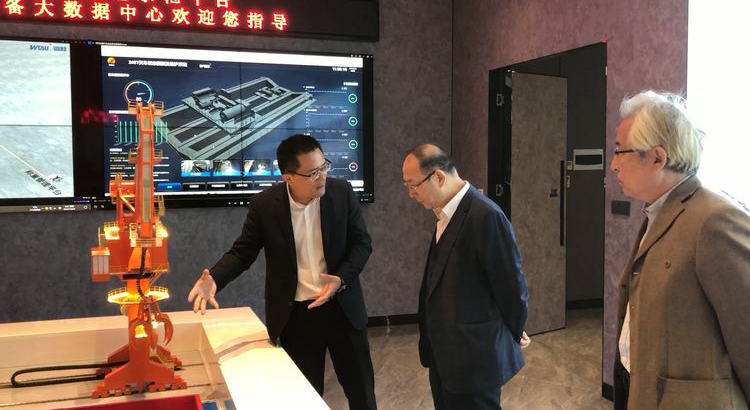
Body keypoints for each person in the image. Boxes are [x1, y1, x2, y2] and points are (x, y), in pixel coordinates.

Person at [188, 134, 377, 409]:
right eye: (312, 173)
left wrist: (341, 278)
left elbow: (362, 243)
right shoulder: (265, 205)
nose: (322, 177)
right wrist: (214, 278)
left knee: (362, 394)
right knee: (304, 397)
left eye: (324, 167)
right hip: (297, 316)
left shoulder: (341, 192)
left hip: (343, 308)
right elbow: (243, 252)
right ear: (288, 176)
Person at [611, 90, 750, 409]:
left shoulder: (714, 220)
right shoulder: (658, 212)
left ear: (657, 158)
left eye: (620, 151)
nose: (614, 165)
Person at [401, 144, 529, 410]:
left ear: (438, 177)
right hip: (445, 357)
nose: (411, 194)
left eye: (413, 185)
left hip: (474, 360)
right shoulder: (445, 213)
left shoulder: (486, 216)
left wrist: (512, 331)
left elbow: (511, 288)